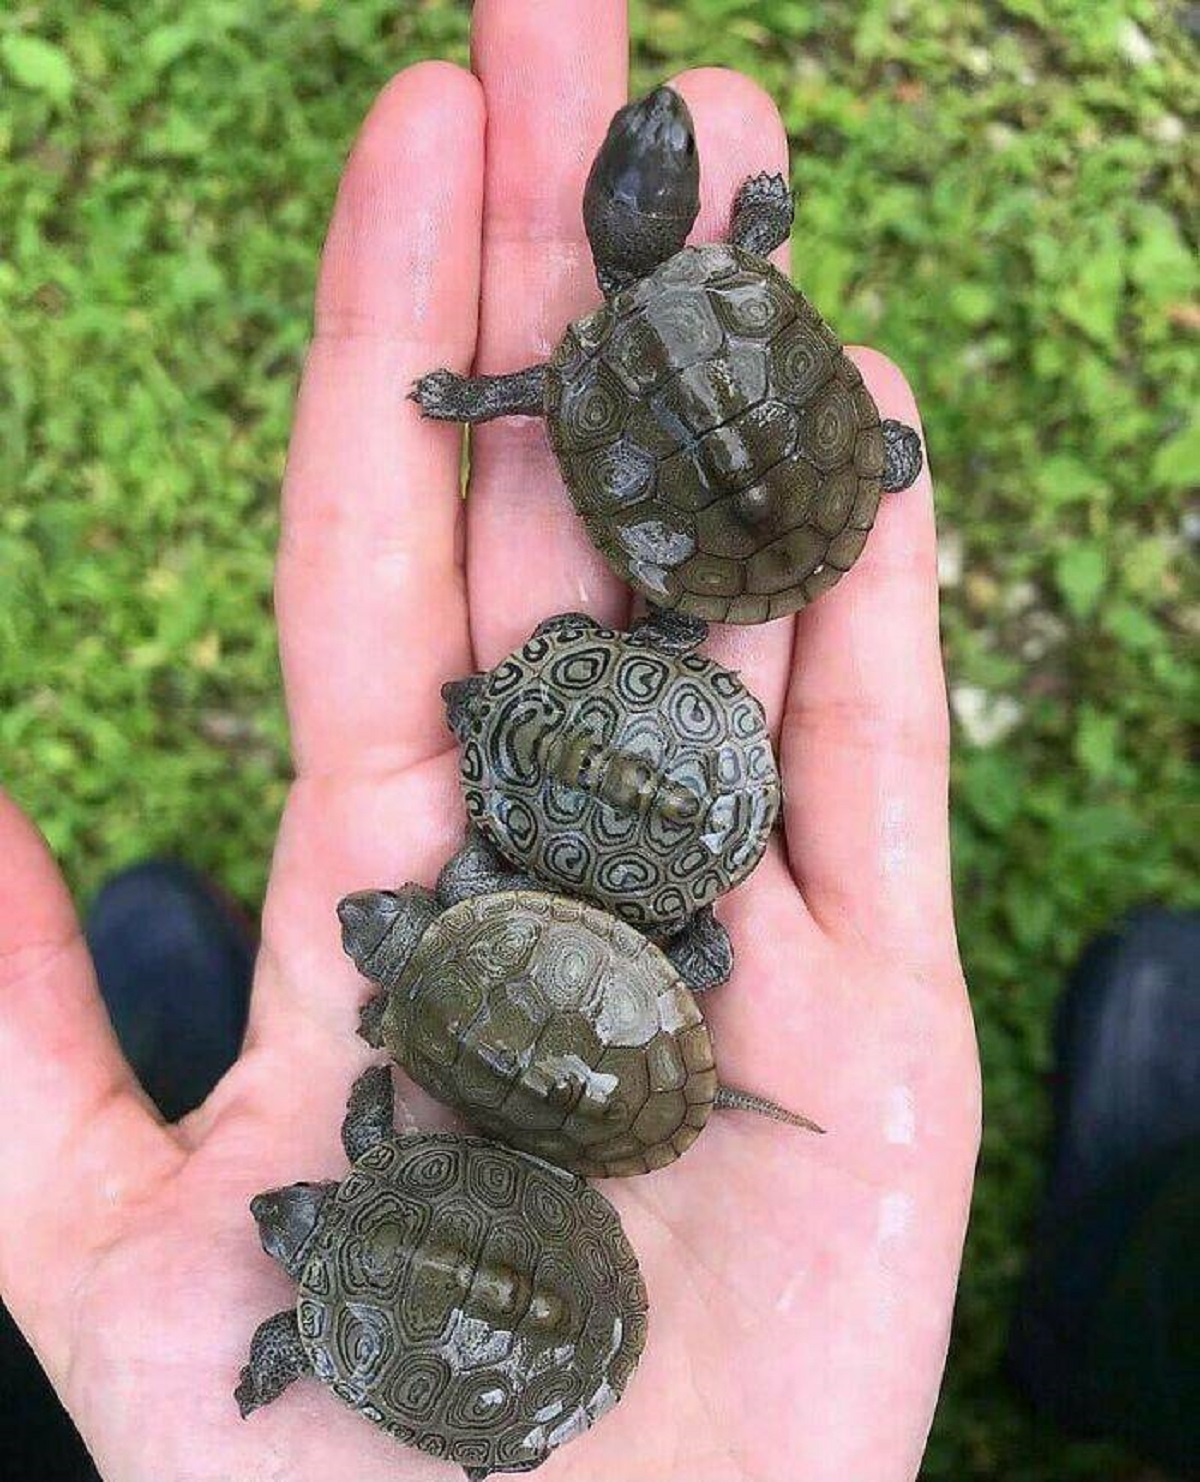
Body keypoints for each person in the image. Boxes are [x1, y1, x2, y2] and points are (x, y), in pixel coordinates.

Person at [0, 4, 981, 1479]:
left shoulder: (435, 993)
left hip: (571, 923)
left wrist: (487, 397)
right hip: (580, 903)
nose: (659, 147)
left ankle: (182, 976)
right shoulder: (434, 1000)